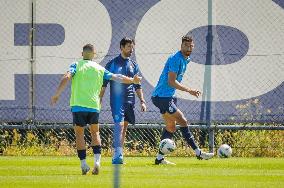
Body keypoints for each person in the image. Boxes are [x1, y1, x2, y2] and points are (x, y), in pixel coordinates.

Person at [50, 44, 141, 174]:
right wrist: (132, 80)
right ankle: (97, 162)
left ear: (82, 54)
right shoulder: (100, 68)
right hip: (94, 106)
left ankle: (84, 164)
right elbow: (117, 77)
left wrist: (56, 95)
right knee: (95, 133)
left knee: (79, 134)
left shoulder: (76, 65)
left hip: (78, 105)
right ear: (94, 55)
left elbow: (66, 77)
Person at [151, 36, 214, 165]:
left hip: (165, 97)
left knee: (171, 127)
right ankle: (198, 153)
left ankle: (159, 159)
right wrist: (189, 90)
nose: (188, 48)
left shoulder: (187, 59)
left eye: (191, 46)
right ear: (181, 46)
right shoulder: (176, 59)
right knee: (183, 121)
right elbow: (171, 81)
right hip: (162, 97)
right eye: (186, 45)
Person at [99, 37, 147, 164]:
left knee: (124, 128)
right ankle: (117, 155)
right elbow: (104, 84)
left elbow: (137, 85)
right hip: (117, 101)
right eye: (128, 47)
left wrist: (142, 100)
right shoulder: (112, 64)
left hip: (130, 101)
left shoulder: (133, 65)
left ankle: (119, 154)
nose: (131, 50)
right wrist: (99, 99)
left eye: (132, 47)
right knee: (119, 126)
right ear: (121, 47)